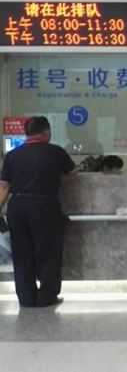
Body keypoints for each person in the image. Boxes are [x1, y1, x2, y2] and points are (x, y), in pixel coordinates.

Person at [0, 116, 76, 308]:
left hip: (17, 206)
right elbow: (72, 173)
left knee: (21, 253)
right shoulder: (55, 152)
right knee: (49, 252)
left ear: (26, 133)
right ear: (47, 131)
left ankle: (26, 299)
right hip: (44, 205)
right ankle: (46, 298)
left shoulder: (12, 155)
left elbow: (4, 186)